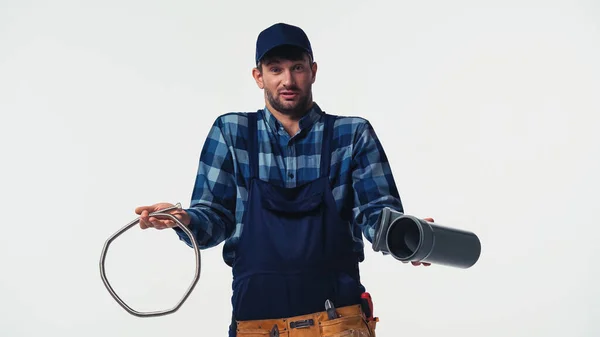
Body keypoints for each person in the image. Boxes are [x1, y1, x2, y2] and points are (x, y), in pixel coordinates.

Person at [135, 22, 433, 337]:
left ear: (313, 71)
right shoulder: (231, 132)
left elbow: (376, 212)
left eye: (298, 68)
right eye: (276, 69)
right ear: (258, 76)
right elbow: (214, 218)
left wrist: (405, 237)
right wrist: (182, 219)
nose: (287, 80)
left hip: (338, 324)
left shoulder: (352, 134)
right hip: (258, 327)